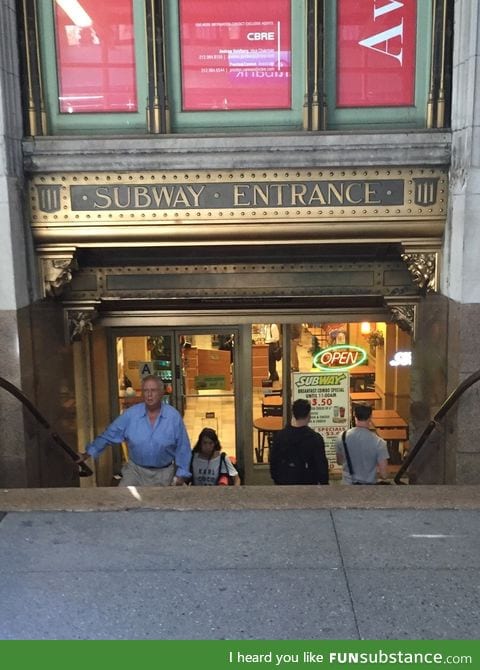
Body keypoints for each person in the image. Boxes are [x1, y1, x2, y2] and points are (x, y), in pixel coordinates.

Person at [77, 375, 191, 487]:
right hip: (135, 471)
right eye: (146, 391)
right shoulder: (131, 415)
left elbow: (183, 447)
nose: (149, 395)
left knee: (158, 504)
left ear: (161, 393)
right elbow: (108, 435)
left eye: (153, 390)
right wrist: (87, 454)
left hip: (164, 473)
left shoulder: (173, 417)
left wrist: (181, 475)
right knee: (122, 499)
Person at [270, 399, 329, 485]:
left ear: (293, 414)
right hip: (309, 486)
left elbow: (273, 463)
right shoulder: (315, 438)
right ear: (309, 416)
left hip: (285, 485)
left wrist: (278, 481)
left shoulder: (280, 436)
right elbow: (321, 467)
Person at [335, 403, 389, 484]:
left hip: (347, 486)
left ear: (354, 415)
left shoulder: (342, 436)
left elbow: (339, 461)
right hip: (368, 488)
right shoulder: (379, 442)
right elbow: (384, 475)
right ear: (370, 417)